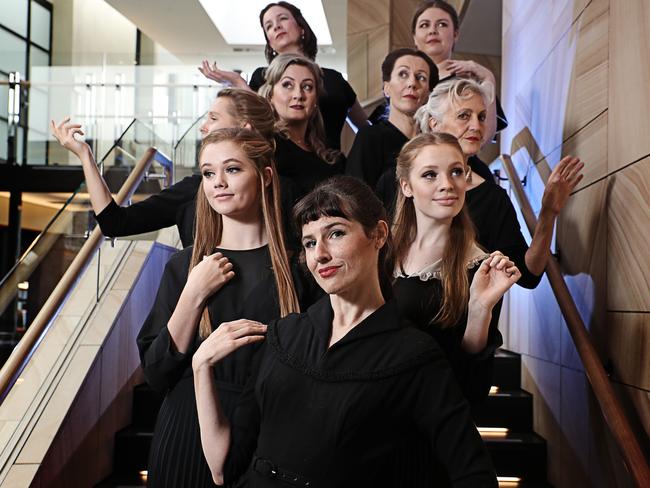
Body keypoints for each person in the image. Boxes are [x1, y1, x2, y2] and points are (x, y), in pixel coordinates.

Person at [192, 175, 498, 487]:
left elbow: (474, 473)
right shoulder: (283, 336)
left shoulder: (414, 355)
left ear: (378, 234)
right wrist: (200, 367)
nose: (320, 254)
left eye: (336, 233)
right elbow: (223, 469)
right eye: (310, 242)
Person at [136, 128, 319, 487]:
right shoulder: (185, 267)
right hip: (187, 431)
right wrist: (192, 295)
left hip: (270, 433)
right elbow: (156, 373)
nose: (218, 182)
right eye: (208, 173)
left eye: (232, 169)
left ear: (265, 176)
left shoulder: (301, 267)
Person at [389, 133, 520, 487]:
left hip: (428, 434)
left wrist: (480, 309)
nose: (447, 185)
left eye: (456, 172)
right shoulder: (380, 250)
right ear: (406, 186)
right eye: (430, 174)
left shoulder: (480, 267)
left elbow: (473, 387)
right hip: (373, 420)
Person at [412, 78, 584, 288]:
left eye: (481, 117)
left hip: (473, 319)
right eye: (464, 116)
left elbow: (528, 275)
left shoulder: (492, 198)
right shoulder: (402, 184)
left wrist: (548, 213)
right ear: (434, 123)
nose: (476, 126)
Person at [51, 89, 277, 247]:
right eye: (209, 174)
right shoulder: (192, 191)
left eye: (214, 118)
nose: (203, 127)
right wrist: (85, 156)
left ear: (245, 128)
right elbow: (114, 223)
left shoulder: (287, 192)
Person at [199, 1, 367, 150]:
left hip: (332, 168)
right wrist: (238, 81)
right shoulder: (262, 77)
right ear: (270, 42)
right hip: (282, 167)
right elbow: (259, 122)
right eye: (269, 26)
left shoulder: (335, 79)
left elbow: (365, 128)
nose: (277, 26)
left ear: (302, 28)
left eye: (283, 19)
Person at [411, 0, 507, 142]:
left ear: (455, 34)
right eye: (425, 25)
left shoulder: (467, 82)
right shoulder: (403, 83)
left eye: (442, 24)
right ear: (414, 37)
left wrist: (488, 78)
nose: (432, 30)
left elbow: (484, 137)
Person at [346, 48, 438, 189]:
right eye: (403, 74)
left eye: (421, 77)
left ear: (428, 94)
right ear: (386, 88)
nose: (412, 83)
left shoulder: (435, 143)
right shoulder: (370, 137)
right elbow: (354, 197)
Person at [259, 53, 344, 200]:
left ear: (316, 99)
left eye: (307, 87)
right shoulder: (266, 146)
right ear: (270, 95)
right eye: (287, 85)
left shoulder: (329, 157)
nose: (298, 94)